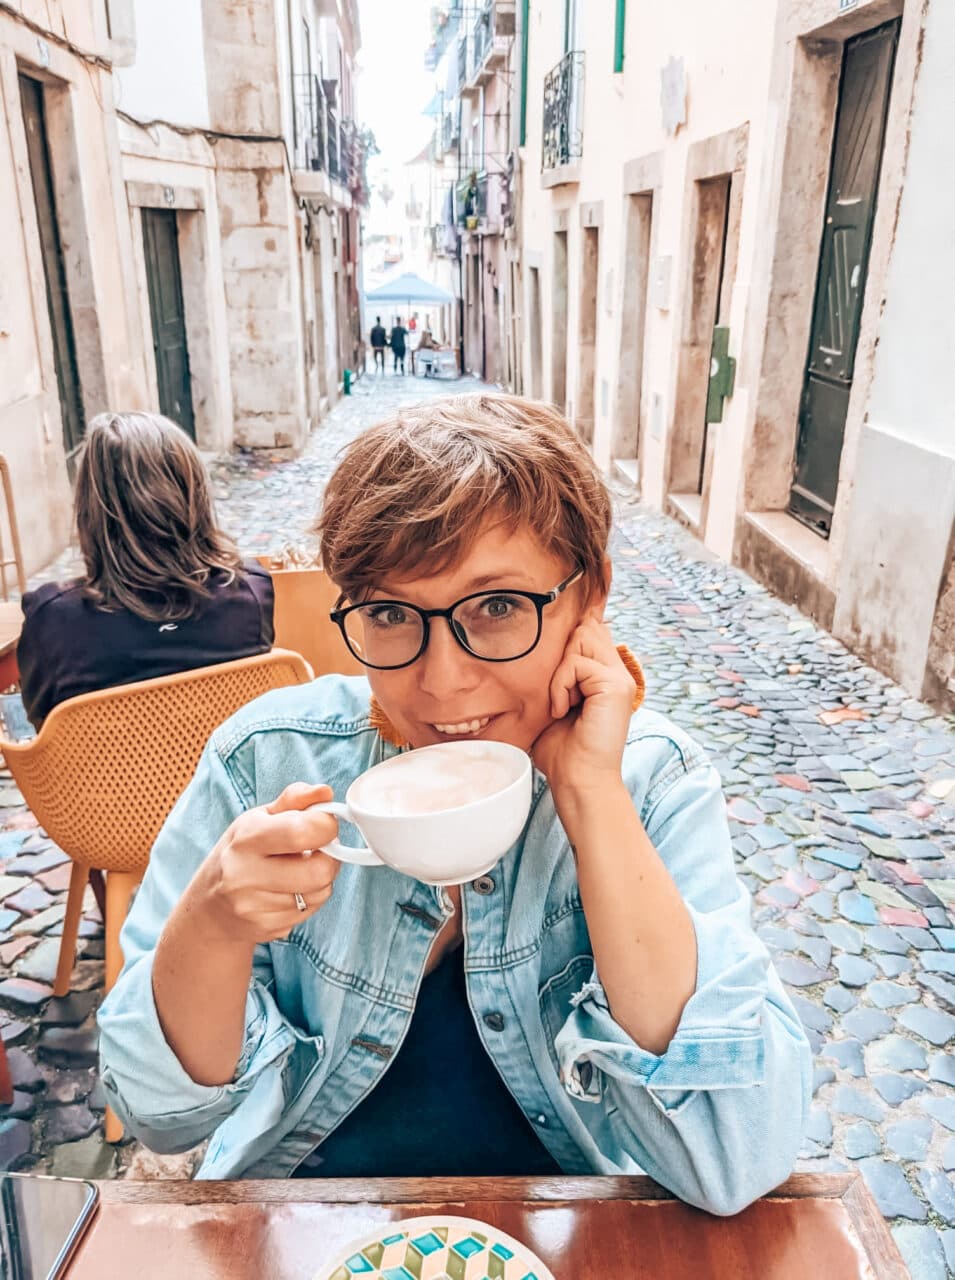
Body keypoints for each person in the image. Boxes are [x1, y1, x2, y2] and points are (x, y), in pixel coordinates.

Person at [98, 395, 810, 1210]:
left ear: (587, 599)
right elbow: (158, 1118)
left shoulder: (652, 783)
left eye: (498, 606)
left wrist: (589, 797)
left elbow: (734, 1158)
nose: (440, 682)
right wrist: (216, 924)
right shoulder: (269, 759)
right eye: (392, 614)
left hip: (567, 1235)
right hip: (302, 1225)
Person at [18, 412, 274, 730]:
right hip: (224, 779)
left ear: (91, 511)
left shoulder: (53, 619)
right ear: (194, 497)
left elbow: (41, 724)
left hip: (103, 779)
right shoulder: (251, 593)